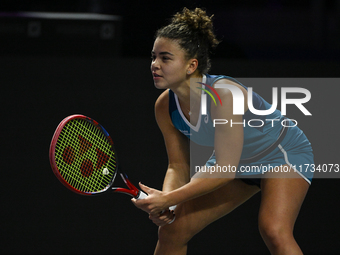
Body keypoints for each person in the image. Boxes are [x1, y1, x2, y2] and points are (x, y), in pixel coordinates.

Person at [132, 7, 314, 255]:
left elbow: (225, 169)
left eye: (165, 58)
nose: (155, 64)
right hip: (236, 161)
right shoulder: (164, 106)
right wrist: (169, 202)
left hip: (281, 152)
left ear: (191, 65)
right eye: (153, 57)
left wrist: (170, 199)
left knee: (274, 229)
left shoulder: (224, 95)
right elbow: (178, 166)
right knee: (173, 230)